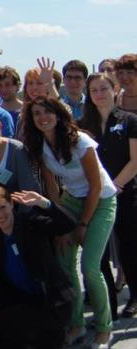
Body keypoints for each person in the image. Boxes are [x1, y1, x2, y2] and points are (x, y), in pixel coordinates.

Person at [22, 96, 117, 347]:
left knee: (90, 267)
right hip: (71, 200)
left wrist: (83, 225)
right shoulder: (40, 144)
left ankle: (105, 327)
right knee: (65, 263)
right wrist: (60, 223)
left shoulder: (80, 141)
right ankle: (77, 324)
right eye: (37, 114)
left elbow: (96, 186)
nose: (43, 118)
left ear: (58, 114)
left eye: (47, 112)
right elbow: (52, 187)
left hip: (101, 200)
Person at [0, 186, 75, 348]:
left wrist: (45, 204)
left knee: (15, 323)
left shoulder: (30, 222)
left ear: (11, 204)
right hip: (26, 300)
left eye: (2, 207)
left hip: (52, 302)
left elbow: (68, 224)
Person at [79, 73, 137, 318]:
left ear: (114, 90)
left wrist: (115, 186)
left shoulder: (129, 120)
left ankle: (135, 297)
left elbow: (135, 161)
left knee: (130, 248)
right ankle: (107, 307)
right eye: (94, 90)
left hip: (124, 192)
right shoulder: (83, 124)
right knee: (98, 254)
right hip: (95, 196)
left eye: (104, 88)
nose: (99, 94)